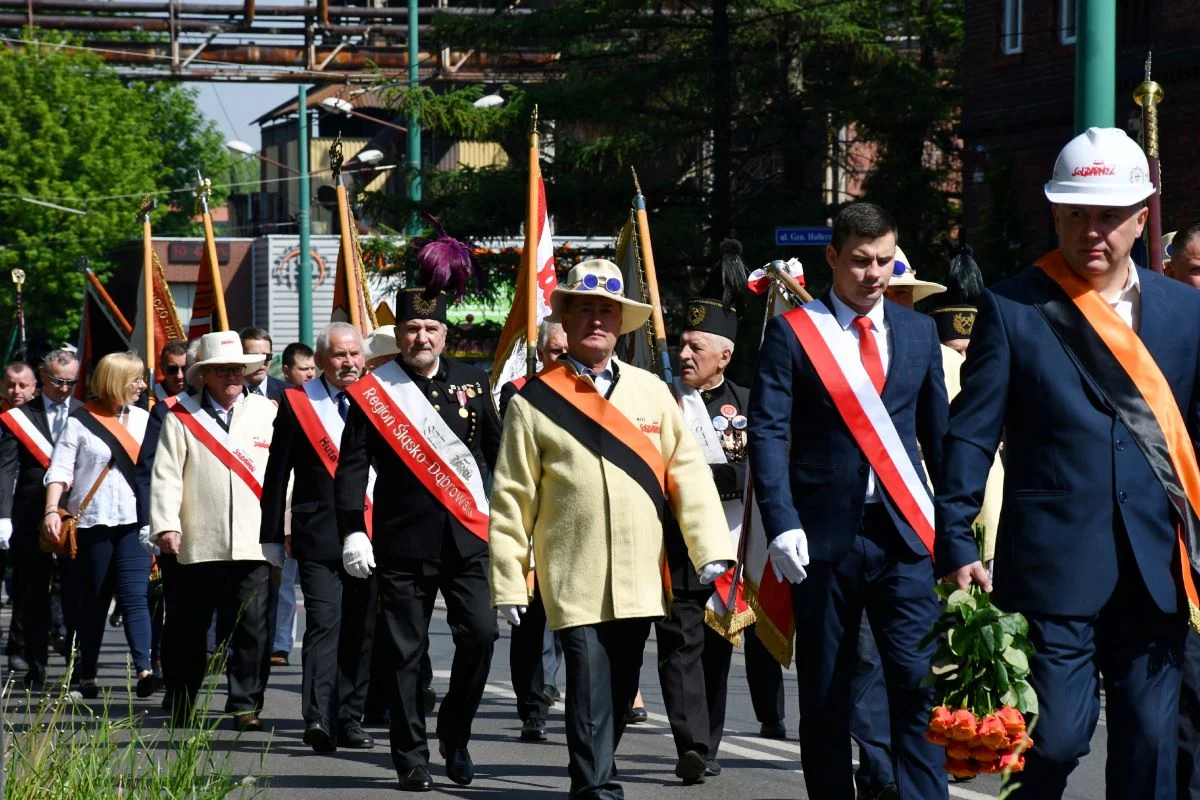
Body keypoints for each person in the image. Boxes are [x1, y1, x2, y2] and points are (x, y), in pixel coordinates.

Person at [937, 127, 1200, 800]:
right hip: (1052, 569)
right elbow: (970, 433)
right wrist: (957, 537)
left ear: (1142, 219)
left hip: (1158, 568)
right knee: (1052, 741)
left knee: (1152, 750)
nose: (1093, 232)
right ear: (1055, 214)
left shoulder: (1187, 313)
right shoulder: (1013, 306)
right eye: (1078, 214)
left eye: (1109, 216)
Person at [489, 259, 735, 799]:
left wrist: (709, 548)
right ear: (568, 319)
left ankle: (599, 762)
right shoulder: (533, 401)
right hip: (571, 572)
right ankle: (594, 784)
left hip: (640, 574)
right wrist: (508, 580)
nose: (597, 320)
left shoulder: (651, 392)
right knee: (587, 679)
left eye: (607, 311)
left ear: (621, 322)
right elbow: (511, 498)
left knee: (620, 686)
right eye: (585, 310)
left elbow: (687, 473)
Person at [750, 202, 949, 800]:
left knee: (916, 684)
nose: (874, 274)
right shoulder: (793, 332)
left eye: (885, 260)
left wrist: (959, 533)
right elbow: (768, 431)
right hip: (823, 537)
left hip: (905, 536)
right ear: (832, 257)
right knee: (827, 689)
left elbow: (939, 439)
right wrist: (781, 522)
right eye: (860, 261)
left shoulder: (919, 330)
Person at [335, 288, 502, 792]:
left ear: (444, 335)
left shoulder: (474, 381)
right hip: (401, 541)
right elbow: (352, 466)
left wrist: (517, 529)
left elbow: (502, 456)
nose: (421, 337)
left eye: (431, 329)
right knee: (403, 654)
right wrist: (352, 531)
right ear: (398, 335)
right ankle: (411, 756)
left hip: (468, 538)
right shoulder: (375, 390)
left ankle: (455, 732)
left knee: (482, 634)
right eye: (412, 329)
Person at [150, 331, 279, 731]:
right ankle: (183, 700)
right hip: (196, 538)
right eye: (222, 371)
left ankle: (245, 704)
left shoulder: (267, 412)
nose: (232, 377)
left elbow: (282, 477)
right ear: (203, 375)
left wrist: (285, 526)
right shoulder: (180, 415)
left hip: (252, 538)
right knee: (187, 628)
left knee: (253, 626)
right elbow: (166, 475)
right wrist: (166, 525)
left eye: (238, 370)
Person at [261, 322, 375, 753]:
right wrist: (272, 533)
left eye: (354, 355)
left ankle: (350, 717)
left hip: (371, 529)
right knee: (325, 624)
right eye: (339, 356)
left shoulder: (380, 401)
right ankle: (319, 718)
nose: (348, 363)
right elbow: (278, 473)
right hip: (319, 533)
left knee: (361, 628)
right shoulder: (296, 403)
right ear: (321, 361)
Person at [653, 296, 754, 783]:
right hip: (674, 541)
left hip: (730, 545)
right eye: (681, 344)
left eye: (696, 346)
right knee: (679, 642)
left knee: (716, 647)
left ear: (724, 356)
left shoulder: (749, 404)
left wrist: (719, 476)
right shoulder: (661, 400)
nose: (685, 354)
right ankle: (689, 744)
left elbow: (758, 468)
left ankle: (707, 741)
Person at [40, 352, 156, 698]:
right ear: (116, 380)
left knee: (136, 596)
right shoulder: (79, 421)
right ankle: (84, 674)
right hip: (92, 524)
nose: (142, 385)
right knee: (92, 601)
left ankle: (146, 669)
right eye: (135, 379)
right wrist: (50, 510)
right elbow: (59, 471)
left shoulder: (145, 419)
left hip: (135, 523)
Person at [497, 318, 569, 744]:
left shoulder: (592, 392)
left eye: (567, 349)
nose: (562, 357)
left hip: (574, 525)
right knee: (531, 621)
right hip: (532, 522)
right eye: (555, 351)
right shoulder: (518, 393)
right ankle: (533, 706)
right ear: (540, 352)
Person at [0, 350, 81, 682]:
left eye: (70, 382)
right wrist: (3, 515)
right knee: (33, 591)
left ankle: (77, 666)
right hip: (31, 516)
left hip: (75, 517)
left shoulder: (84, 412)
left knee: (76, 590)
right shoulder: (21, 417)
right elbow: (6, 469)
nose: (63, 388)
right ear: (43, 379)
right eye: (56, 381)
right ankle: (36, 662)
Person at [269, 341, 315, 668]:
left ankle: (282, 643)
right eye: (304, 369)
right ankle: (274, 641)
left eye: (313, 368)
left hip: (312, 512)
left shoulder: (327, 402)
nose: (310, 374)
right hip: (285, 505)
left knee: (299, 587)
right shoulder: (281, 402)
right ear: (287, 371)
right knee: (280, 581)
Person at [240, 327, 286, 403]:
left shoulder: (286, 392)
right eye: (254, 357)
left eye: (267, 357)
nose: (261, 362)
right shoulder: (227, 393)